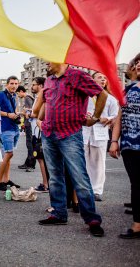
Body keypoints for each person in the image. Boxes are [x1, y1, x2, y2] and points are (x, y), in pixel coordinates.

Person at [37, 63, 107, 237]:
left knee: (79, 177)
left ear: (59, 58)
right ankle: (59, 213)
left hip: (69, 134)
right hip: (49, 133)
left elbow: (102, 94)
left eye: (48, 59)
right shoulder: (49, 80)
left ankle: (92, 218)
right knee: (54, 177)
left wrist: (95, 118)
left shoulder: (78, 75)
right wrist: (40, 120)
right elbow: (46, 102)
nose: (46, 63)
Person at [110, 53, 140, 239]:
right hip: (130, 144)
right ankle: (137, 225)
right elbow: (120, 118)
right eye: (137, 63)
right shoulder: (128, 90)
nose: (138, 66)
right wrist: (114, 141)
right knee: (136, 184)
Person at [83, 72, 118, 201]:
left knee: (99, 163)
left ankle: (96, 190)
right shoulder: (86, 96)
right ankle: (85, 189)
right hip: (85, 131)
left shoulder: (110, 98)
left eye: (104, 78)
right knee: (83, 162)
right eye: (99, 77)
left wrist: (107, 118)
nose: (103, 79)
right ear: (92, 80)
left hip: (100, 132)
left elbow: (115, 116)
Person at [0, 76, 21, 191]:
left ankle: (6, 180)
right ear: (7, 84)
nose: (14, 86)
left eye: (16, 83)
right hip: (5, 127)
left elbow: (14, 110)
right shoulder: (1, 94)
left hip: (15, 127)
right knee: (9, 153)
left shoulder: (14, 96)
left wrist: (17, 113)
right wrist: (7, 114)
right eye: (11, 83)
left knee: (9, 155)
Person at [29, 77, 49, 193]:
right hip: (36, 131)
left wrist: (29, 114)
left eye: (34, 84)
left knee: (42, 159)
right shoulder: (37, 97)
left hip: (41, 131)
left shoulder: (42, 96)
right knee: (41, 159)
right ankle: (46, 183)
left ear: (41, 86)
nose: (32, 87)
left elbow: (37, 113)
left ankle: (46, 184)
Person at [16, 85, 35, 171]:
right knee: (29, 144)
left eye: (17, 93)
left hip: (30, 124)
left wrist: (21, 112)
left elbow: (31, 110)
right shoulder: (28, 97)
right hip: (28, 123)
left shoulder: (27, 98)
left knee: (29, 144)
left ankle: (30, 164)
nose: (18, 95)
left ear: (21, 91)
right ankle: (28, 162)